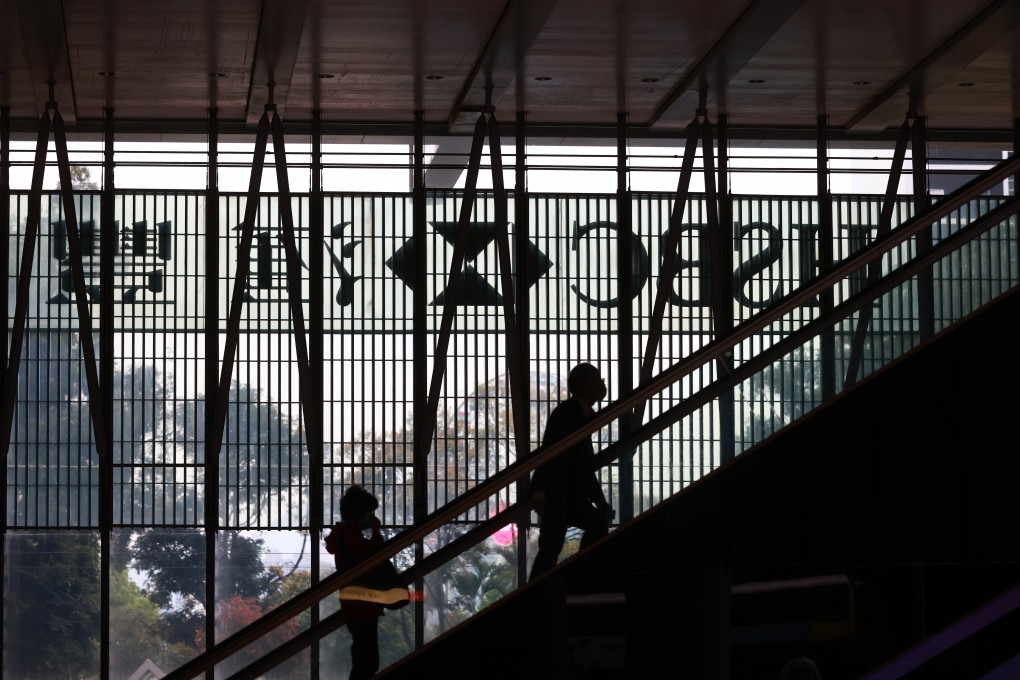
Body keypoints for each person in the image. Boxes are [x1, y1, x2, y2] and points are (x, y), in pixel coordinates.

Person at [529, 362, 615, 581]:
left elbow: (565, 460)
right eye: (598, 380)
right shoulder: (572, 415)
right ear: (587, 385)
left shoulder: (571, 413)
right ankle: (578, 577)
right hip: (561, 494)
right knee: (555, 545)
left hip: (561, 494)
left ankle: (537, 592)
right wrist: (600, 502)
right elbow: (569, 461)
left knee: (550, 548)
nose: (602, 384)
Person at [325, 485, 386, 680]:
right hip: (364, 602)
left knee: (362, 655)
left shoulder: (342, 535)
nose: (371, 517)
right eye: (369, 512)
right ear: (360, 513)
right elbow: (373, 553)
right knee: (367, 661)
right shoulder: (354, 535)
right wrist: (375, 530)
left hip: (354, 602)